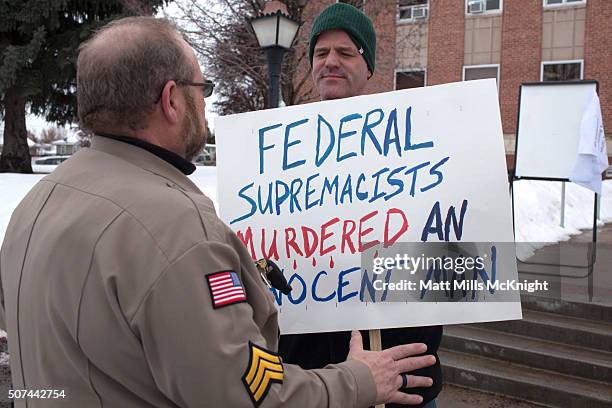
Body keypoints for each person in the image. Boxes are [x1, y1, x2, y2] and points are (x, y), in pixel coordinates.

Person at [0, 16, 436, 408]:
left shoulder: (34, 205)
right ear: (172, 100)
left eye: (345, 51)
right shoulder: (188, 218)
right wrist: (356, 381)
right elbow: (243, 394)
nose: (205, 103)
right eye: (202, 89)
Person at [277, 4, 443, 408]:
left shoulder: (415, 146)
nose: (331, 61)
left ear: (367, 66)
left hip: (403, 374)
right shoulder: (283, 155)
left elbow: (448, 250)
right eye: (321, 53)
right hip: (311, 382)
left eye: (346, 52)